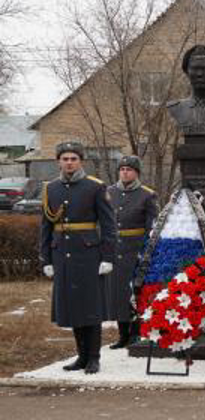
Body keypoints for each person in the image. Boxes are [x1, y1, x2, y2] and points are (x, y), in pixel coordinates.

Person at [40, 141, 116, 374]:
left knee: (90, 306)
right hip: (62, 254)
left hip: (89, 254)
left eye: (73, 158)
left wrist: (107, 257)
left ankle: (94, 357)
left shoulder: (95, 186)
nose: (69, 162)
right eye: (65, 159)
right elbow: (46, 225)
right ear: (58, 162)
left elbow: (108, 224)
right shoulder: (50, 188)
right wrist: (47, 259)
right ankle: (81, 357)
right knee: (72, 307)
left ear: (80, 161)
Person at [105, 155, 159, 349]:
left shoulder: (147, 195)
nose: (125, 172)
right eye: (122, 169)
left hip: (135, 249)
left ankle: (136, 332)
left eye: (129, 169)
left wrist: (146, 251)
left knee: (135, 292)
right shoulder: (109, 192)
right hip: (114, 248)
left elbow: (152, 226)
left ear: (136, 172)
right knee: (118, 292)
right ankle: (122, 335)